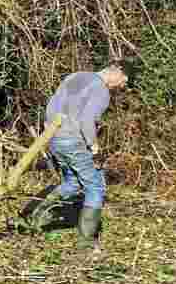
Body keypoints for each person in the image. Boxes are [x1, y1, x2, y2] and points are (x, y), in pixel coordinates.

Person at [24, 62, 129, 250]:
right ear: (117, 73)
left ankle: (32, 217)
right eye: (124, 80)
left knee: (72, 183)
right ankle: (86, 243)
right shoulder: (101, 90)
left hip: (54, 138)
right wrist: (94, 145)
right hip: (74, 141)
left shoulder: (76, 76)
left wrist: (51, 132)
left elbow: (52, 105)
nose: (122, 85)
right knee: (95, 186)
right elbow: (88, 120)